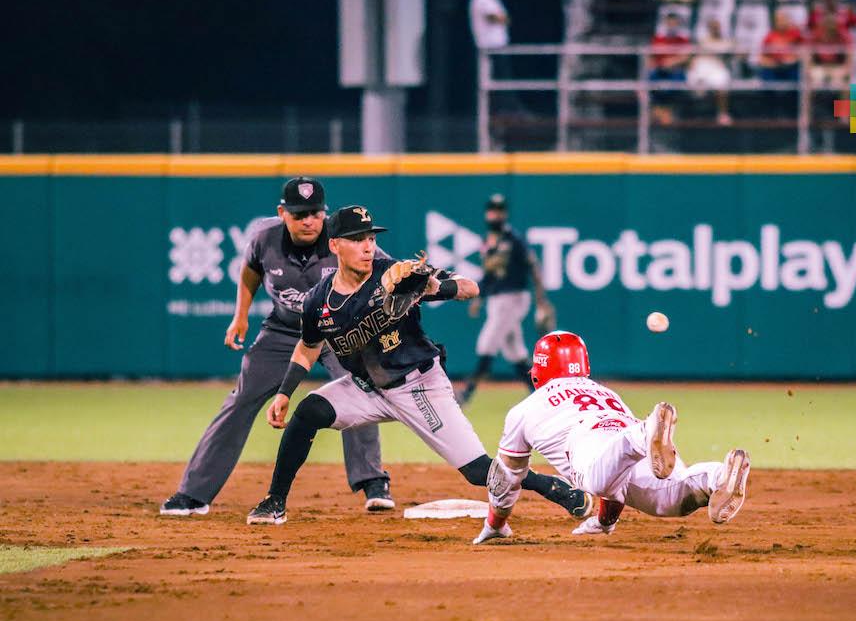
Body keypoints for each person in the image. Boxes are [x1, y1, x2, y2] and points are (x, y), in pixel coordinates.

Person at [245, 205, 593, 525]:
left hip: (418, 385)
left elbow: (469, 288)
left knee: (476, 470)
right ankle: (274, 501)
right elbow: (308, 347)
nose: (367, 247)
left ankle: (553, 487)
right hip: (368, 389)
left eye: (370, 238)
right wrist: (284, 394)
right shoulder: (318, 299)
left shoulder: (395, 275)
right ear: (335, 245)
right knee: (309, 412)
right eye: (357, 240)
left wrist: (430, 284)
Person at [160, 178, 393, 517]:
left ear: (324, 213)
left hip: (339, 332)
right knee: (241, 399)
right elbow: (250, 271)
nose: (309, 221)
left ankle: (373, 481)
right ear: (282, 213)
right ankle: (194, 493)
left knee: (358, 386)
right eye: (299, 214)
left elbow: (390, 271)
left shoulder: (343, 238)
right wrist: (240, 316)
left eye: (315, 213)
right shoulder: (263, 240)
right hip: (283, 330)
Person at [472, 331, 751, 545]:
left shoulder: (525, 409)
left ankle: (646, 432)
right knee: (671, 499)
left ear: (539, 370)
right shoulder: (606, 393)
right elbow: (615, 478)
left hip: (591, 437)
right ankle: (718, 477)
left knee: (594, 479)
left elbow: (505, 476)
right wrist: (603, 522)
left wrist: (496, 524)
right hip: (623, 431)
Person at [459, 194, 554, 405]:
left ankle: (467, 392)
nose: (494, 214)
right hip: (496, 300)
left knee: (487, 343)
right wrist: (478, 298)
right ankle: (540, 393)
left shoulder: (514, 240)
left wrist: (542, 301)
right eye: (492, 210)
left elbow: (534, 268)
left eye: (499, 210)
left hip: (514, 298)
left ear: (505, 214)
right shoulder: (488, 242)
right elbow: (489, 275)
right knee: (515, 351)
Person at [648, 9, 692, 125]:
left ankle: (667, 113)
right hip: (660, 71)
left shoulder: (683, 40)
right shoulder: (658, 39)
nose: (672, 25)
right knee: (650, 79)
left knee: (673, 83)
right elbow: (651, 57)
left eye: (674, 22)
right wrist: (658, 65)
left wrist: (672, 62)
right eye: (669, 22)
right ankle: (656, 112)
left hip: (676, 72)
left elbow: (686, 57)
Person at [688, 18, 734, 126]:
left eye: (717, 27)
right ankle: (695, 115)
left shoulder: (727, 42)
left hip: (717, 68)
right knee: (694, 82)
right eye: (713, 27)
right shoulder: (702, 41)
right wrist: (692, 65)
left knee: (722, 81)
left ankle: (722, 114)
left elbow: (739, 54)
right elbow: (693, 57)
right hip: (702, 67)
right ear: (709, 29)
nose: (715, 29)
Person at [808, 14, 853, 88]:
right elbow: (808, 54)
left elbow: (850, 54)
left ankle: (847, 99)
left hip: (838, 66)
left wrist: (847, 69)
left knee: (847, 82)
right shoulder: (815, 36)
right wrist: (809, 69)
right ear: (822, 26)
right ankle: (807, 100)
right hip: (819, 66)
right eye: (827, 26)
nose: (830, 28)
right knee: (812, 80)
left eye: (832, 26)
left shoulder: (844, 37)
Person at [759, 10, 804, 82]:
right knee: (766, 73)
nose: (781, 22)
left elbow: (804, 52)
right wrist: (772, 63)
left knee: (797, 73)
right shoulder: (769, 36)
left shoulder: (796, 35)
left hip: (791, 67)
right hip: (774, 67)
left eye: (783, 19)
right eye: (779, 20)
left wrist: (794, 59)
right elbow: (762, 57)